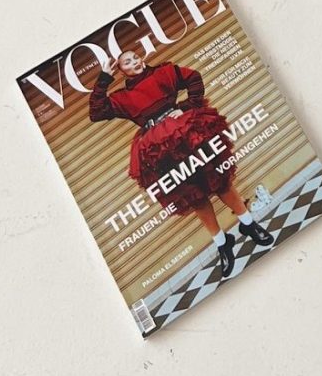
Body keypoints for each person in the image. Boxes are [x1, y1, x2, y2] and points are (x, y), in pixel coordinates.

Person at [88, 47, 274, 278]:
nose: (134, 62)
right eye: (127, 62)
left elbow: (193, 77)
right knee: (194, 196)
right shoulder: (122, 98)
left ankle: (248, 223)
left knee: (219, 180)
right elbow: (96, 112)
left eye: (136, 57)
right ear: (121, 70)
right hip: (159, 151)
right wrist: (104, 78)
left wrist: (185, 107)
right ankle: (222, 242)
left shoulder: (163, 72)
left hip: (187, 133)